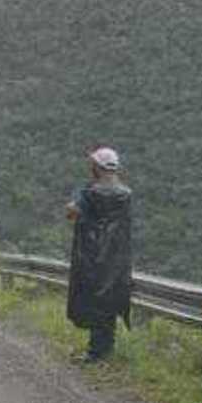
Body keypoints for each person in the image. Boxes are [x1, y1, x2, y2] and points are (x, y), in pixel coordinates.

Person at [65, 146, 133, 362]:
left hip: (92, 254)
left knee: (93, 301)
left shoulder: (89, 193)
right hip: (117, 257)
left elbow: (72, 212)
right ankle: (105, 350)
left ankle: (96, 353)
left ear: (96, 167)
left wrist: (73, 204)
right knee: (110, 302)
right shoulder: (126, 194)